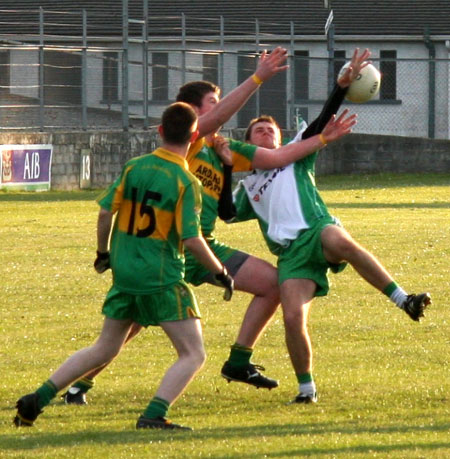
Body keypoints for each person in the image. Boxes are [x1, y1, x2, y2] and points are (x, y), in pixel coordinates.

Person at [62, 49, 358, 405]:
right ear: (192, 114)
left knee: (273, 284)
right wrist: (258, 77)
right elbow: (218, 116)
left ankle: (239, 360)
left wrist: (322, 139)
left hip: (204, 247)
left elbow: (280, 157)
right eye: (213, 103)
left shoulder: (225, 149)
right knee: (130, 327)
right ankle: (79, 385)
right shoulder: (186, 145)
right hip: (167, 250)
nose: (222, 109)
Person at [222, 48, 432, 405]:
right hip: (292, 256)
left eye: (270, 129)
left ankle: (404, 300)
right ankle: (307, 390)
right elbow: (225, 214)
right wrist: (227, 168)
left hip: (316, 230)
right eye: (258, 131)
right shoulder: (249, 187)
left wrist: (340, 87)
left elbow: (320, 123)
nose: (266, 134)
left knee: (341, 240)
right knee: (292, 317)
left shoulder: (295, 154)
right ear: (247, 141)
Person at [13, 102, 235, 431]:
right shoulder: (186, 181)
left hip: (124, 273)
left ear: (159, 131)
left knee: (105, 346)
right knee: (193, 354)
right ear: (194, 134)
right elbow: (192, 239)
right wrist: (221, 272)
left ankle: (38, 398)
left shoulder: (135, 166)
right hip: (160, 276)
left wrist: (103, 253)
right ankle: (154, 415)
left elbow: (105, 213)